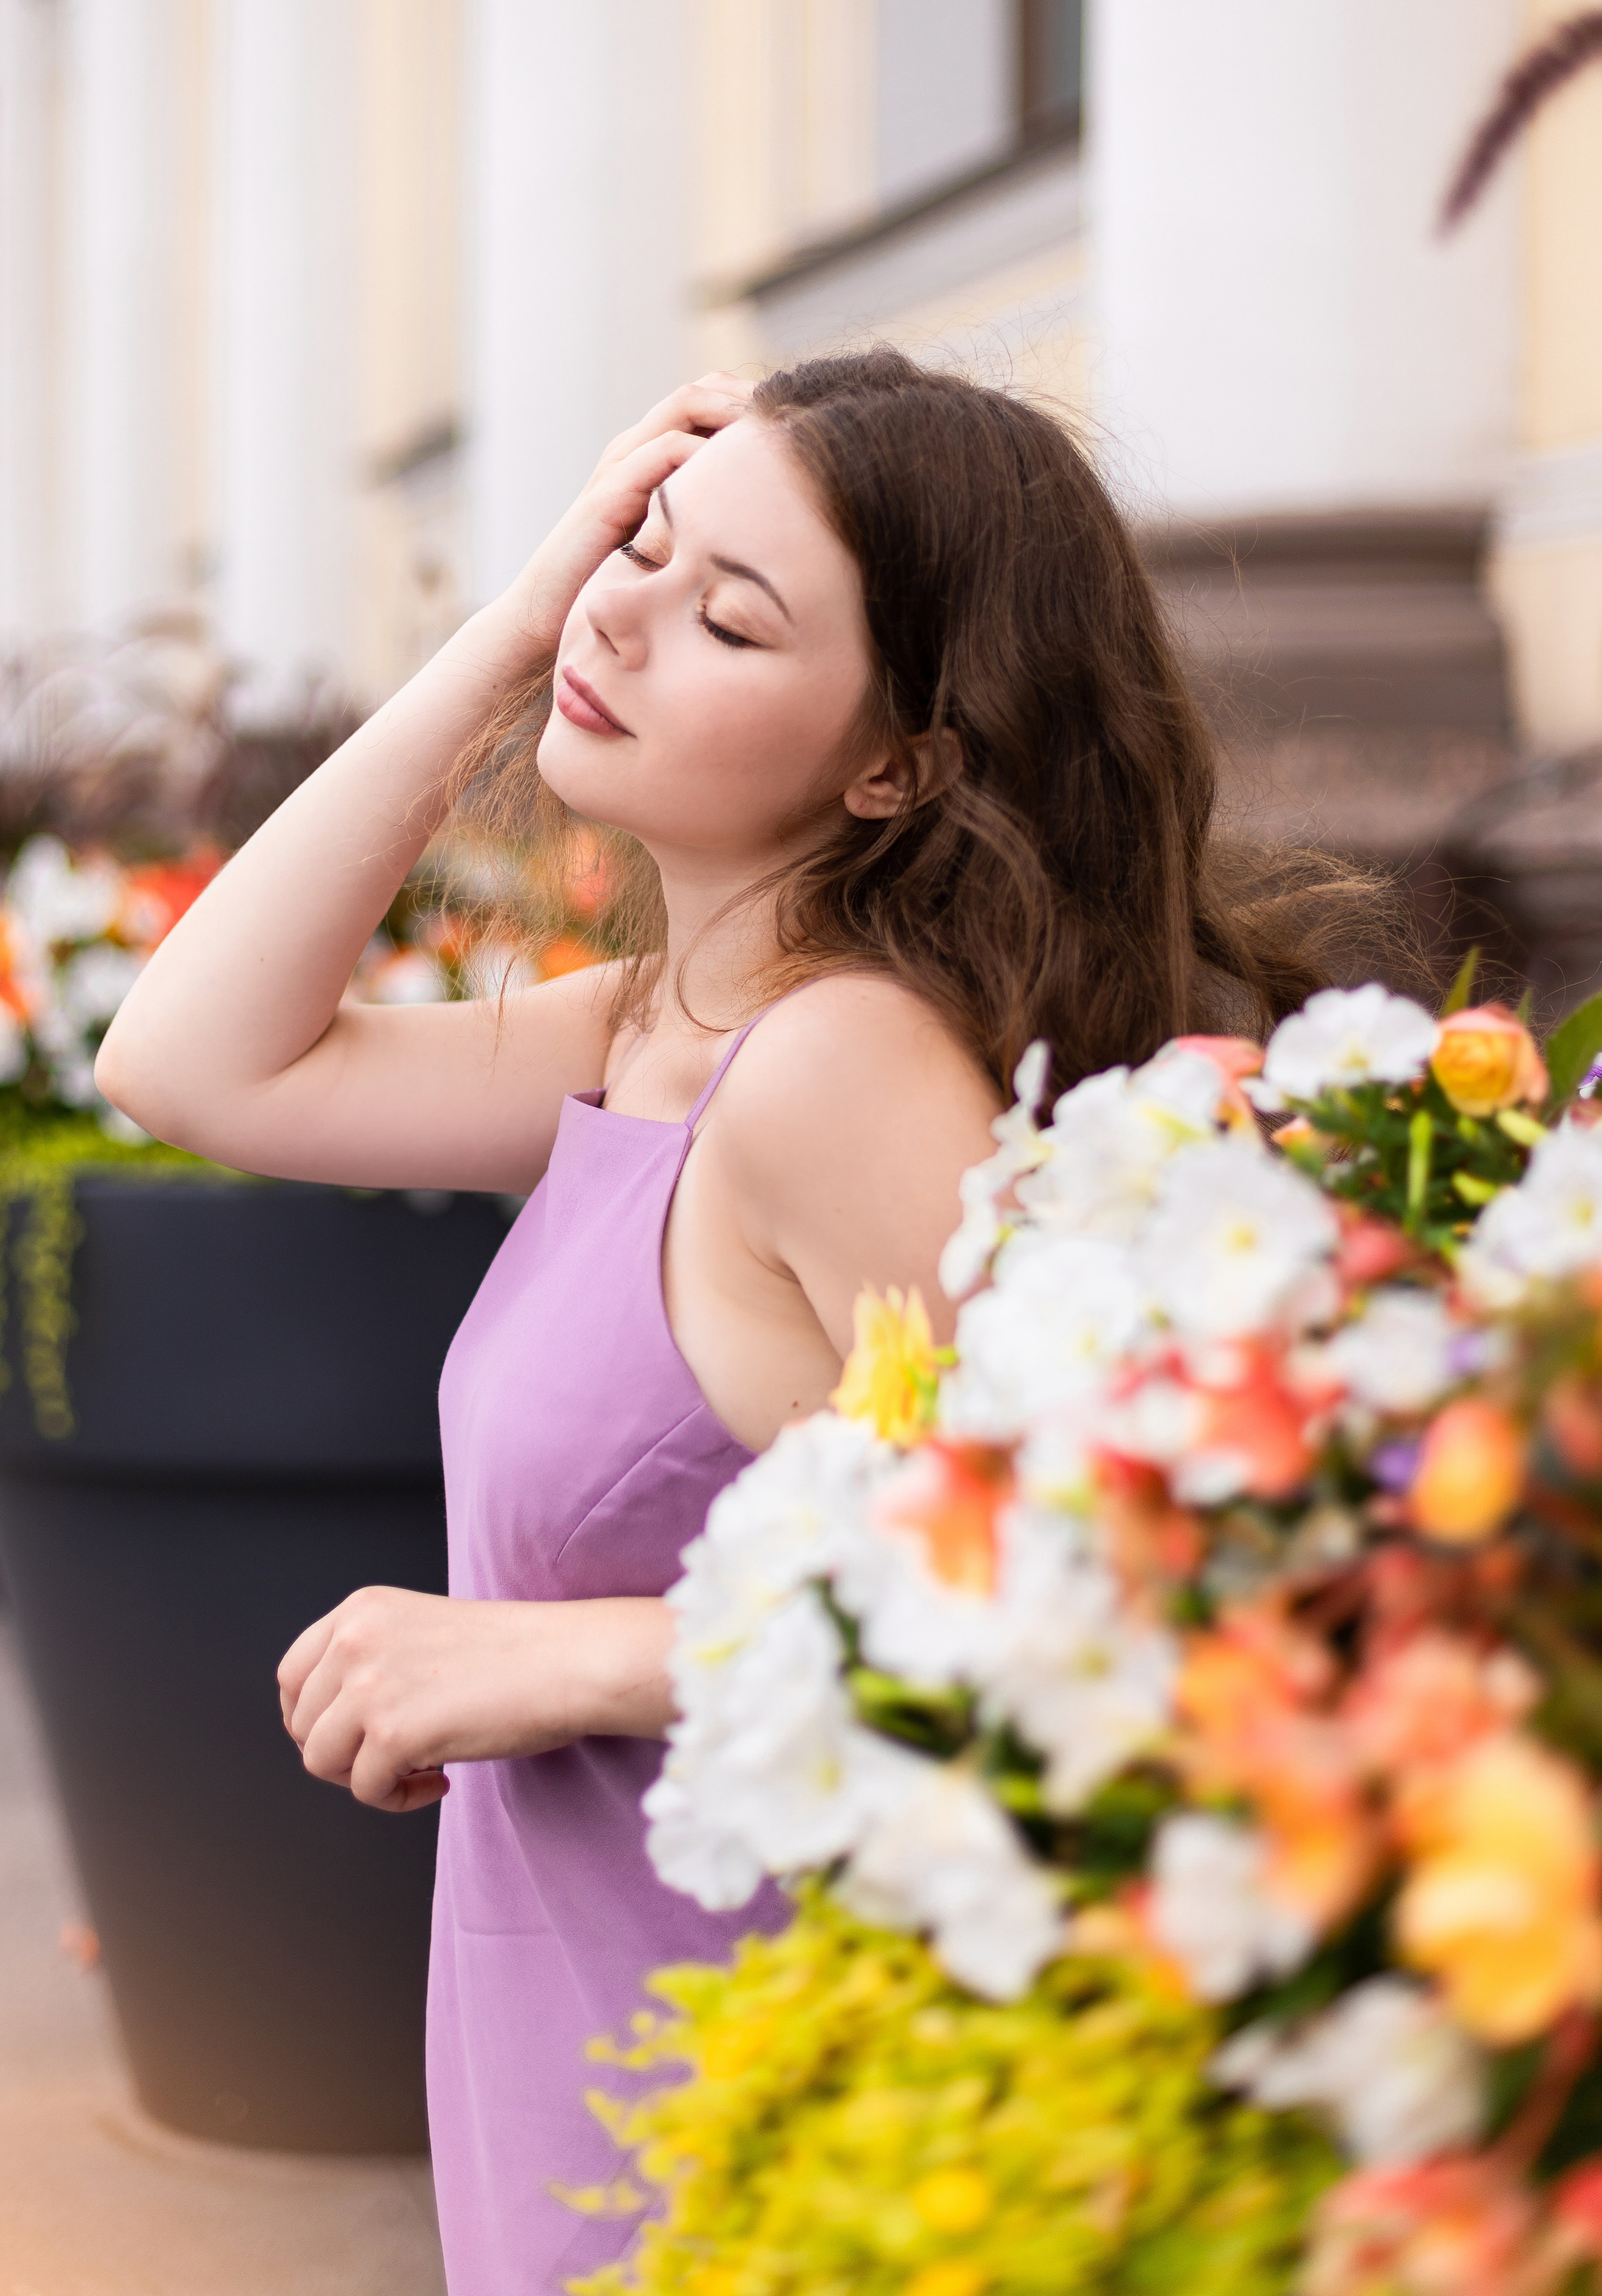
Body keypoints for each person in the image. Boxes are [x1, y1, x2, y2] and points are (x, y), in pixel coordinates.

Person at [96, 347, 1354, 2295]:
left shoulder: (832, 1071)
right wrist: (519, 622)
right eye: (642, 547)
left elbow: (1100, 1585)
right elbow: (189, 1063)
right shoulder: (644, 1037)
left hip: (757, 2067)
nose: (628, 612)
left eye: (730, 614)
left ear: (898, 760)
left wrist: (569, 1661)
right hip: (591, 2037)